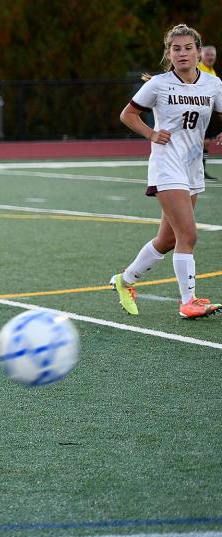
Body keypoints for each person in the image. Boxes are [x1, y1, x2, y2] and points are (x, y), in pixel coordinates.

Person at [111, 24, 222, 319]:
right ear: (168, 54)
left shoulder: (213, 85)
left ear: (199, 52)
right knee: (188, 233)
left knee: (169, 240)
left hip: (192, 167)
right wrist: (150, 133)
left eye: (188, 48)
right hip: (166, 165)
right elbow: (127, 115)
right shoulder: (159, 84)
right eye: (176, 49)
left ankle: (124, 281)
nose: (182, 53)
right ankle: (188, 302)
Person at [198, 45, 219, 179]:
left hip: (208, 112)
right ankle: (194, 170)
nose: (210, 57)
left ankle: (201, 170)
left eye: (212, 55)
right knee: (195, 142)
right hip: (198, 111)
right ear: (201, 55)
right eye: (208, 54)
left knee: (206, 142)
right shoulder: (198, 68)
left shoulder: (212, 72)